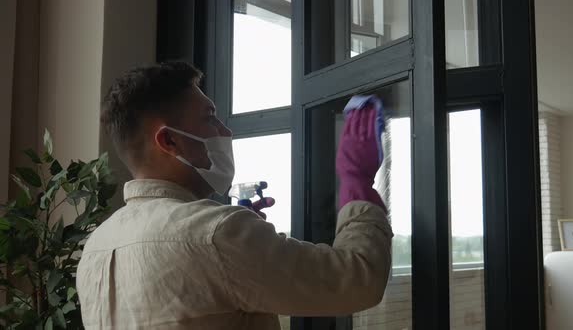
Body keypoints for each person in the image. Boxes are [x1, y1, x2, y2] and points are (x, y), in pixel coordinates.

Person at [76, 62, 393, 330]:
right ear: (169, 141)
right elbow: (357, 280)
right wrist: (356, 179)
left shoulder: (95, 248)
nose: (225, 132)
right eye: (210, 117)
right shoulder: (215, 235)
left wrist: (240, 239)